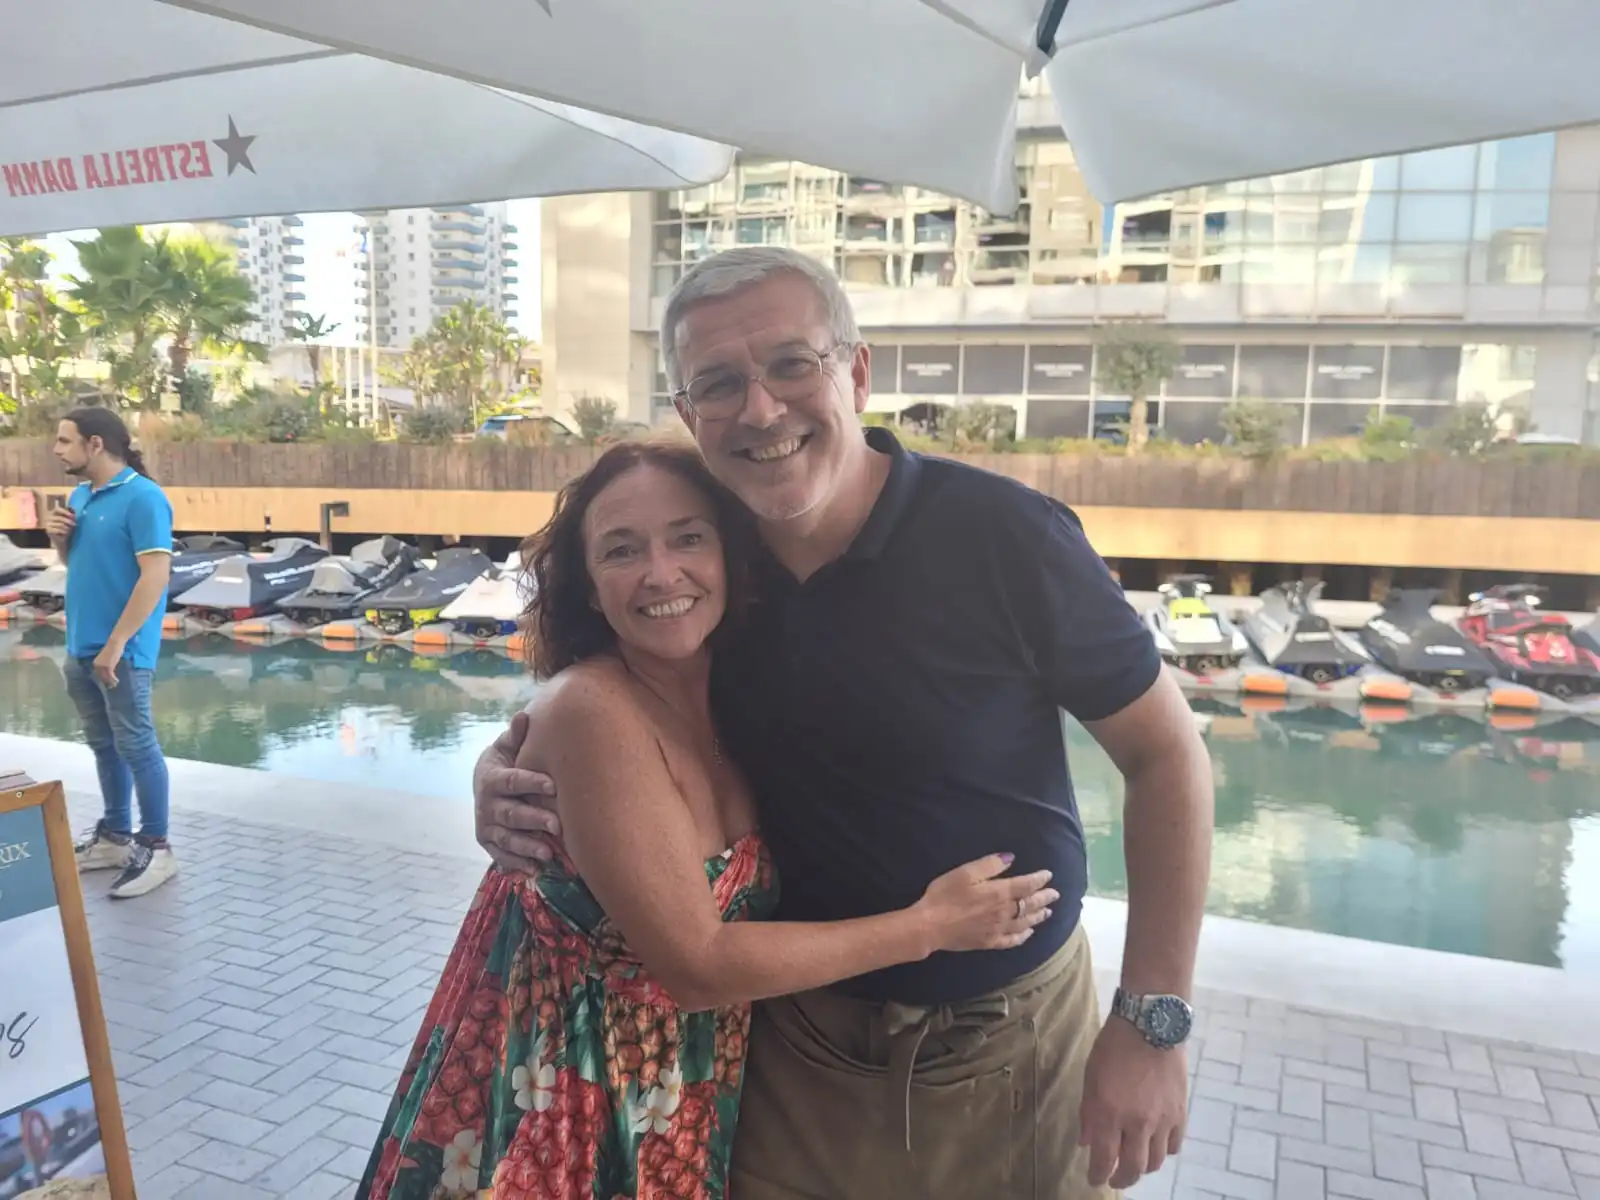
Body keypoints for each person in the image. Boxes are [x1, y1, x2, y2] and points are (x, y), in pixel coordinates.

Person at [474, 247, 1215, 1198]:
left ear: (855, 371)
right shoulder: (708, 566)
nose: (761, 409)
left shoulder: (1004, 536)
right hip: (794, 1050)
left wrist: (1153, 1023)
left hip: (1017, 1040)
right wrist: (504, 779)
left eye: (792, 364)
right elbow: (613, 718)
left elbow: (1167, 757)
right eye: (720, 383)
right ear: (688, 410)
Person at [358, 439, 1056, 1200]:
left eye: (688, 537)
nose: (662, 574)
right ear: (590, 589)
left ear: (730, 554)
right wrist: (930, 926)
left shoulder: (738, 693)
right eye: (622, 551)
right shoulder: (592, 710)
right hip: (558, 1108)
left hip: (672, 1099)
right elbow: (696, 966)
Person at [48, 407, 178, 899]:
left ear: (95, 444)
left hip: (121, 650)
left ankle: (157, 847)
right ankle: (115, 837)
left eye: (65, 441)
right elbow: (79, 564)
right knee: (104, 745)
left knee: (137, 745)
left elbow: (155, 577)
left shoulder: (144, 498)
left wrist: (118, 643)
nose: (57, 450)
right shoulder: (81, 496)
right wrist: (59, 541)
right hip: (81, 644)